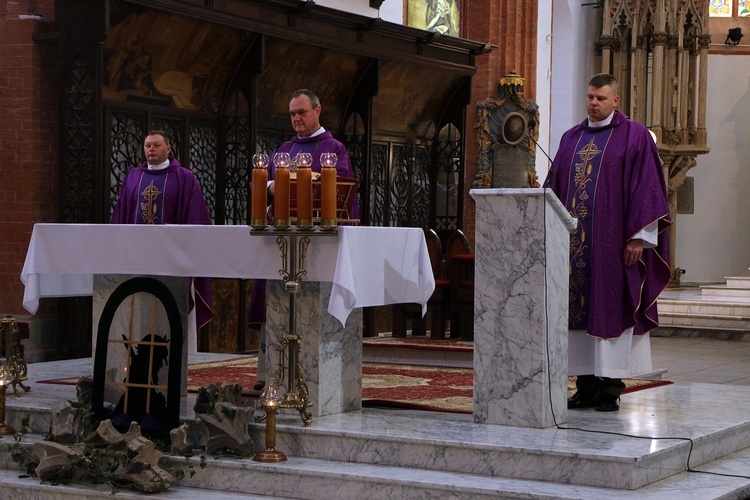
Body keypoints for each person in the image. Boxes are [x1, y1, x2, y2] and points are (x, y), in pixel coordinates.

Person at [548, 74, 671, 412]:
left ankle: (610, 389)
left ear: (615, 100)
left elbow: (646, 188)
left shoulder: (635, 136)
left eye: (601, 98)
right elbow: (554, 190)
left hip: (614, 248)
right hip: (574, 251)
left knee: (612, 310)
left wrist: (638, 238)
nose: (593, 103)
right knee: (578, 317)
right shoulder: (571, 138)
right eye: (590, 97)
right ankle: (585, 387)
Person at [252, 89, 358, 390]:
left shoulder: (332, 148)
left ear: (317, 111)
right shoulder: (284, 148)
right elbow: (261, 180)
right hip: (281, 240)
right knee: (277, 301)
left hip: (318, 241)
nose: (296, 119)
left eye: (302, 112)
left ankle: (318, 377)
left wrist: (289, 182)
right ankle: (271, 375)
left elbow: (337, 185)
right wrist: (273, 182)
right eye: (292, 114)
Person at [111, 130, 213, 353]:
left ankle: (175, 351)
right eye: (147, 146)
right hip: (137, 257)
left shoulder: (184, 177)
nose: (151, 150)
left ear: (168, 149)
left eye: (156, 145)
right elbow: (121, 213)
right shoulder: (133, 176)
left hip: (171, 259)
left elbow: (195, 218)